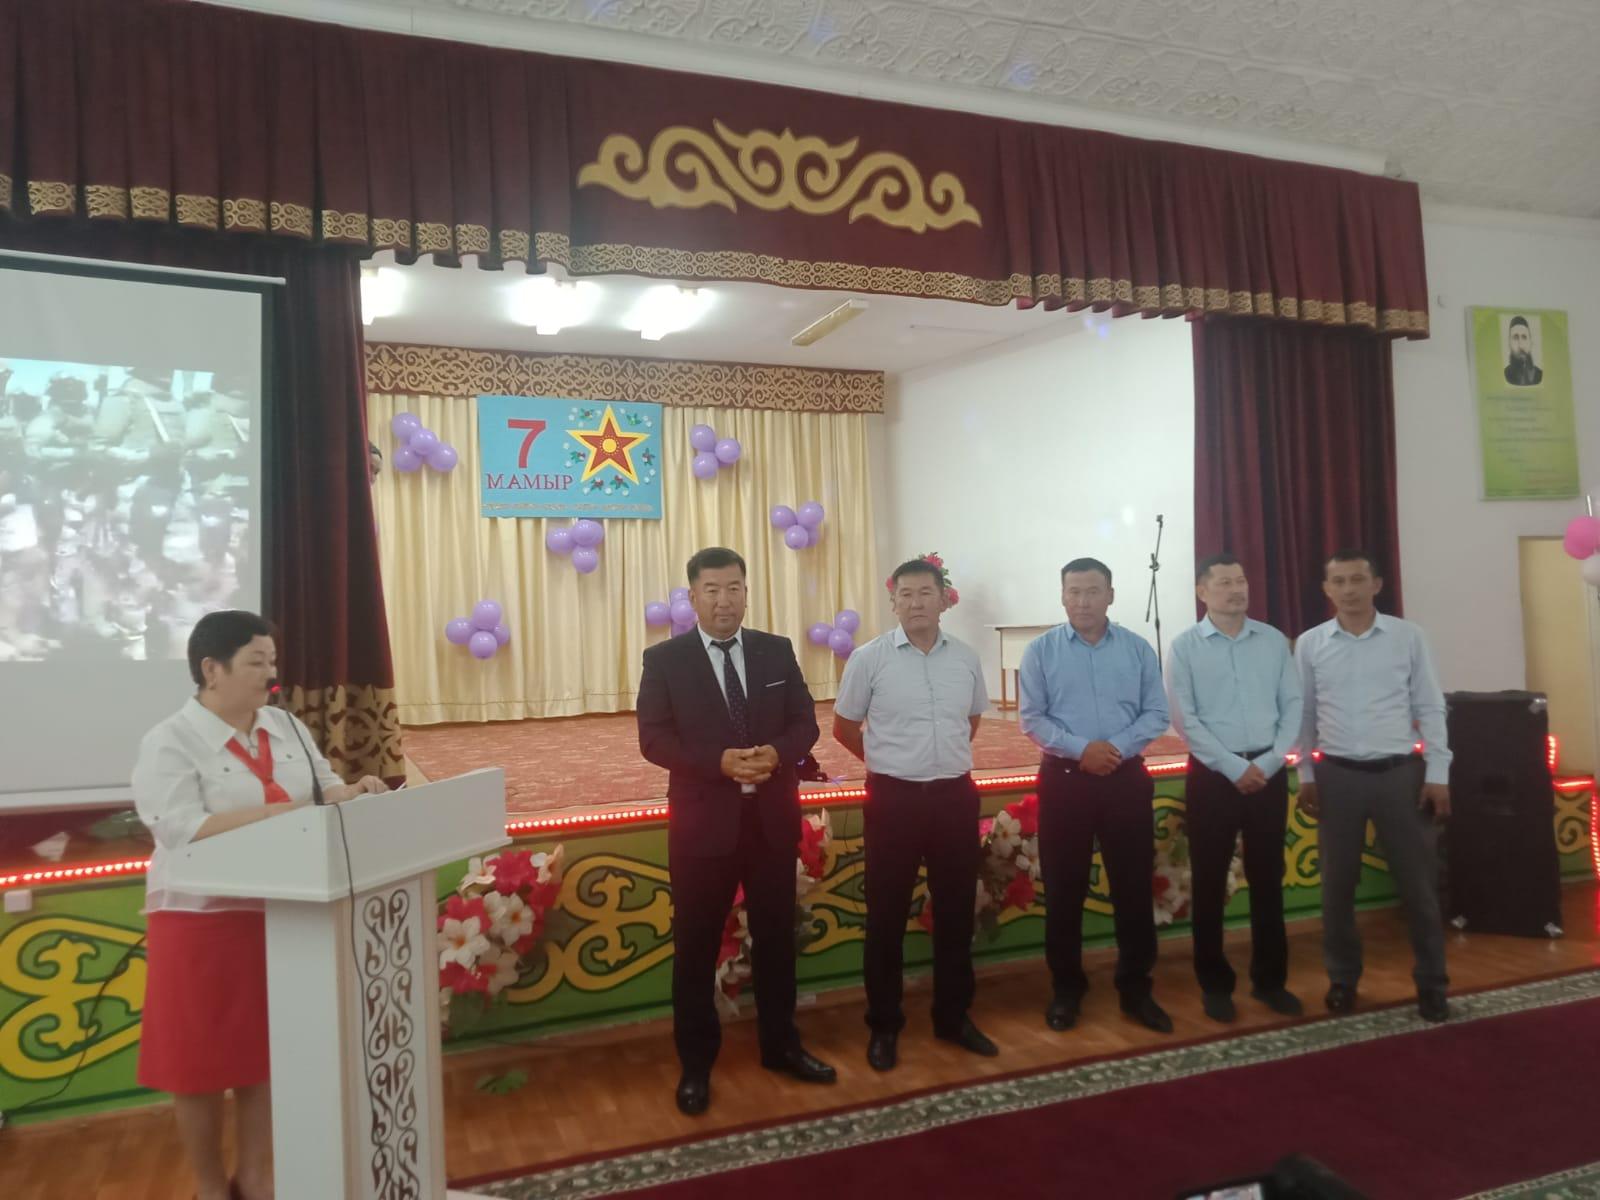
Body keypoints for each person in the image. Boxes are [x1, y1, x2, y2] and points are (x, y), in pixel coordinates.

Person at [131, 610, 388, 1200]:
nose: (270, 674)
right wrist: (279, 815)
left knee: (264, 1055)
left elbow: (324, 790)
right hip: (200, 917)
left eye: (272, 661)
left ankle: (254, 1177)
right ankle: (208, 1186)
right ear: (211, 669)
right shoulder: (169, 741)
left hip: (285, 908)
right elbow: (178, 828)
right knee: (197, 1065)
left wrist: (354, 792)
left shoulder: (285, 726)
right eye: (256, 662)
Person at [635, 547, 835, 1116]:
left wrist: (778, 753)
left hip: (770, 823)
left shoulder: (776, 650)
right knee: (695, 948)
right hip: (703, 828)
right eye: (712, 590)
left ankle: (782, 1046)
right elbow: (654, 739)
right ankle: (696, 1064)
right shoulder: (665, 660)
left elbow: (805, 722)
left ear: (747, 592)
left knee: (777, 941)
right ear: (692, 597)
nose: (724, 601)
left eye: (734, 588)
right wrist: (717, 763)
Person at [833, 557, 996, 1072]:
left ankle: (954, 1017)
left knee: (956, 913)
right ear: (893, 602)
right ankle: (884, 1026)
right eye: (905, 594)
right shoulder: (869, 659)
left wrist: (937, 760)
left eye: (926, 593)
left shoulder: (965, 658)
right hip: (893, 801)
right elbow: (844, 726)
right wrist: (888, 761)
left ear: (944, 599)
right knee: (886, 917)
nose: (916, 602)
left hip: (954, 798)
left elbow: (970, 719)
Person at [1295, 549, 1452, 1024]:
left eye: (1357, 579)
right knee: (1337, 888)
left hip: (1400, 776)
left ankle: (1432, 984)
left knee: (1419, 888)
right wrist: (1305, 774)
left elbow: (1430, 706)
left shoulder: (1408, 637)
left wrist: (1438, 774)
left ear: (1376, 584)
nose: (1349, 589)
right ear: (1327, 590)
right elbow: (1304, 714)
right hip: (1336, 777)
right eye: (1339, 581)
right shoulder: (1310, 644)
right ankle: (1342, 979)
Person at [1019, 557, 1172, 1034]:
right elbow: (1032, 718)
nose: (1083, 601)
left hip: (1125, 780)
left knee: (1133, 886)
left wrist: (1114, 749)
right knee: (1064, 889)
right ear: (1062, 596)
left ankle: (1136, 989)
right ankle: (1067, 989)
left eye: (1092, 591)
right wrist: (1081, 750)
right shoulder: (1041, 651)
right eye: (1074, 591)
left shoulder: (1137, 648)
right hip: (1065, 782)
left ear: (1110, 595)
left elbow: (1156, 713)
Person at [1166, 554, 1303, 1023]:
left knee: (1268, 879)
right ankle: (1214, 984)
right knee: (1208, 882)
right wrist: (1231, 766)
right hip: (1212, 775)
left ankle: (1271, 981)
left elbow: (1293, 705)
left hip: (1267, 772)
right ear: (1202, 592)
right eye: (1224, 582)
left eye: (1241, 580)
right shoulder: (1185, 647)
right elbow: (1185, 720)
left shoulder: (1272, 641)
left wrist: (1268, 761)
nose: (1236, 589)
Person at [1503, 315, 1544, 386]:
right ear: (1509, 343)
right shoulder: (1505, 375)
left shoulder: (1540, 375)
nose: (1521, 345)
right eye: (1515, 338)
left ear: (1530, 342)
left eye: (1524, 337)